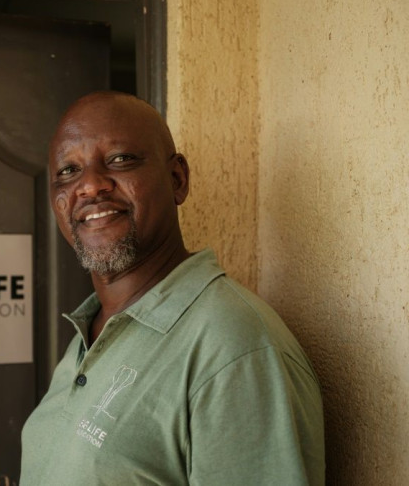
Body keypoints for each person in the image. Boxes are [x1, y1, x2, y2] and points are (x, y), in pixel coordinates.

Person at [19, 91, 325, 485]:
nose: (90, 186)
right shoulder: (92, 329)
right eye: (67, 171)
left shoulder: (234, 347)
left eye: (120, 160)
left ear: (177, 179)